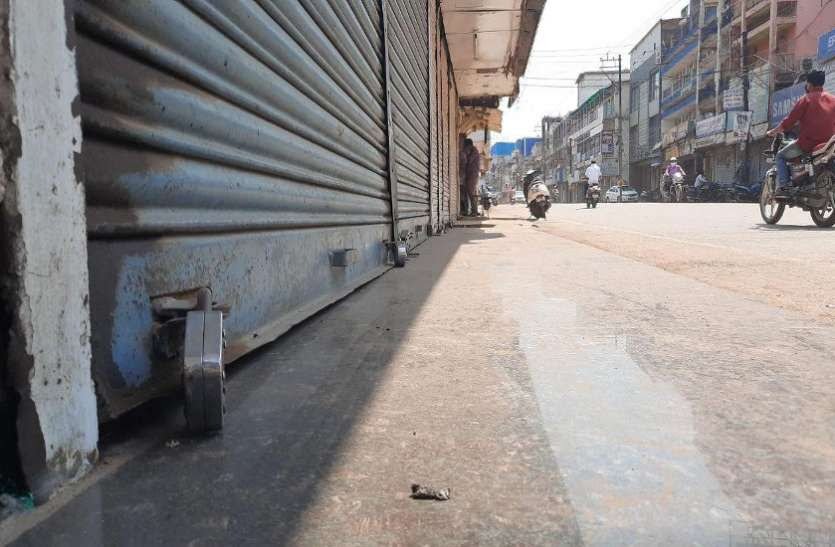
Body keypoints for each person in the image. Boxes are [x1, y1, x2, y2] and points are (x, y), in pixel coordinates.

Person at [766, 70, 835, 194]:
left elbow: (789, 121)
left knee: (780, 156)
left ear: (809, 84)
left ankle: (785, 188)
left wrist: (774, 131)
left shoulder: (805, 100)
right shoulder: (833, 99)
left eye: (807, 83)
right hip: (829, 144)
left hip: (807, 144)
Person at [461, 139, 481, 216]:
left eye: (465, 146)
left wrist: (464, 153)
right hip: (471, 174)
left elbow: (468, 161)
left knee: (471, 192)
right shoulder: (473, 151)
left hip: (472, 174)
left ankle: (474, 211)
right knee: (469, 192)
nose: (465, 148)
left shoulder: (474, 152)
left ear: (469, 145)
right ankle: (473, 210)